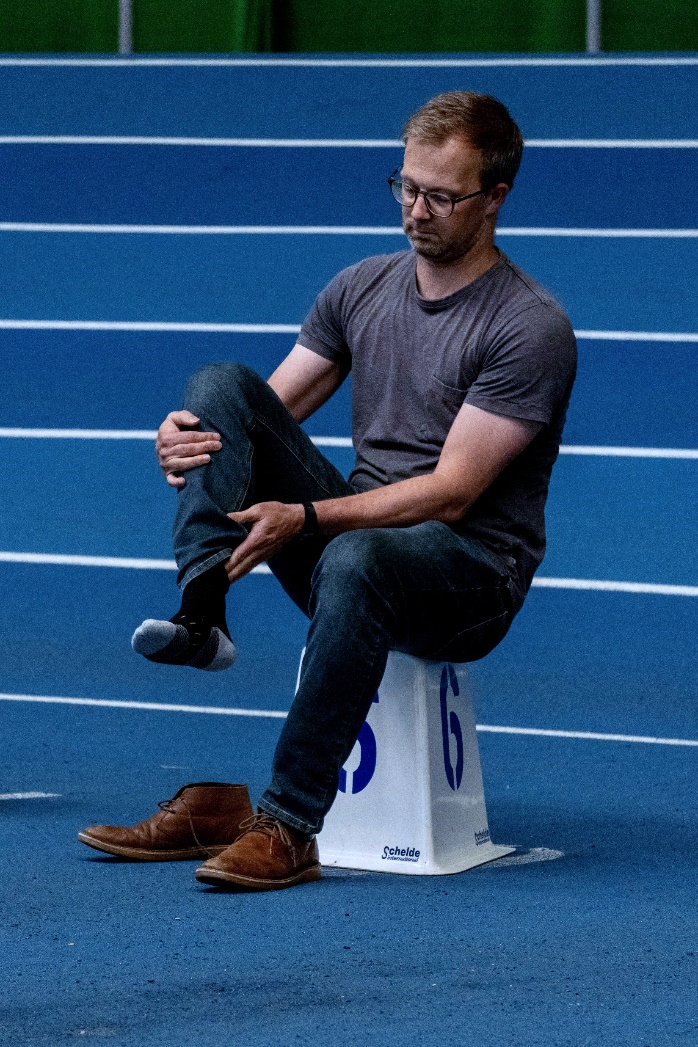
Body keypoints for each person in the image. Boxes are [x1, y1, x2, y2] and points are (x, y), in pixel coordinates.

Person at [78, 91, 577, 891]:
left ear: (496, 200)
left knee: (356, 560)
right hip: (360, 543)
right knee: (219, 383)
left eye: (441, 197)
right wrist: (191, 438)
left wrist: (306, 517)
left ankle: (288, 821)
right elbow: (260, 416)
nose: (416, 211)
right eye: (406, 187)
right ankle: (203, 609)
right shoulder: (361, 287)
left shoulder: (528, 326)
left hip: (471, 575)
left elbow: (451, 494)